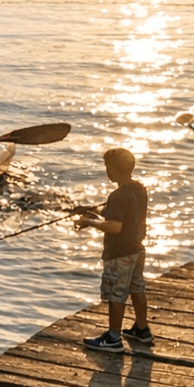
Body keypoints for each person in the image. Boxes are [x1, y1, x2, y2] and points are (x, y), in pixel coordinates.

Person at [73, 147, 152, 352]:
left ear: (113, 170)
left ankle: (113, 338)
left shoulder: (117, 195)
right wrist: (94, 211)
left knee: (117, 294)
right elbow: (119, 213)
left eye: (107, 167)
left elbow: (115, 227)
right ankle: (142, 329)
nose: (106, 170)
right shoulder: (139, 189)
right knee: (137, 288)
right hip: (137, 249)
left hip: (120, 253)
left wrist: (89, 222)